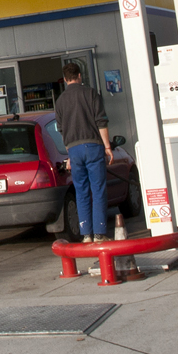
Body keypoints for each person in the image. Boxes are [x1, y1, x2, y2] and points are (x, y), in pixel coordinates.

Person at [54, 60, 113, 242]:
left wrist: (69, 154)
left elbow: (61, 129)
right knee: (98, 190)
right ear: (79, 76)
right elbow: (101, 122)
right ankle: (99, 233)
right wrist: (107, 147)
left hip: (74, 150)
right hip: (93, 146)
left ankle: (86, 234)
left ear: (65, 79)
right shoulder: (91, 94)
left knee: (81, 192)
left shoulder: (60, 101)